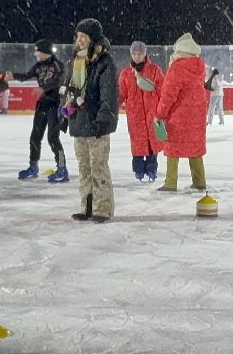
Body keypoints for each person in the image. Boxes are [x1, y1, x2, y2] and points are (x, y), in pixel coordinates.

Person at [65, 18, 119, 221]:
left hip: (96, 123)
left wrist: (103, 120)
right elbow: (70, 90)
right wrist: (66, 112)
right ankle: (86, 207)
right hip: (79, 121)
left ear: (93, 39)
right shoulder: (76, 61)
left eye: (84, 37)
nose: (79, 40)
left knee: (98, 167)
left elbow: (109, 94)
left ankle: (102, 208)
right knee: (84, 168)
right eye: (78, 36)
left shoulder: (104, 62)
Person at [153, 33, 210, 192]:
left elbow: (168, 96)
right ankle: (199, 181)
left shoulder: (177, 68)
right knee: (195, 147)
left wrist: (160, 114)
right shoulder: (199, 67)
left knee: (173, 147)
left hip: (178, 117)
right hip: (197, 116)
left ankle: (170, 182)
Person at [18, 39, 69, 183]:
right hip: (42, 105)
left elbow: (59, 81)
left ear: (44, 51)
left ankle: (62, 168)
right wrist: (12, 76)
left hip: (55, 105)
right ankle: (33, 166)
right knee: (35, 136)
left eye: (37, 51)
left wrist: (43, 88)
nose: (35, 54)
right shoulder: (38, 66)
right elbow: (26, 76)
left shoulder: (58, 65)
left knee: (53, 138)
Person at [119, 41, 166, 182]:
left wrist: (162, 109)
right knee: (137, 143)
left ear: (145, 54)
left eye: (139, 53)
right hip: (135, 116)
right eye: (134, 53)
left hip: (153, 114)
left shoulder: (155, 70)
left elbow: (163, 91)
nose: (137, 56)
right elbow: (121, 94)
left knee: (153, 143)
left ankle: (152, 169)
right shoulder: (125, 74)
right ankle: (138, 169)